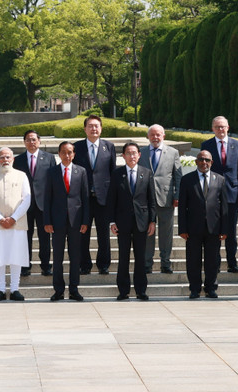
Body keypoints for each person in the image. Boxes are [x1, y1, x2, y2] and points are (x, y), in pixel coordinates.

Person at [107, 143, 156, 301]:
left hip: (142, 222)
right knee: (124, 257)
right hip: (122, 222)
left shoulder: (147, 173)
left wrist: (152, 221)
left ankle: (141, 290)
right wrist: (112, 222)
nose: (132, 156)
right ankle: (123, 291)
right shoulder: (117, 174)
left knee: (140, 257)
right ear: (123, 156)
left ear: (139, 155)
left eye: (134, 153)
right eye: (128, 153)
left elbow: (152, 200)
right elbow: (111, 199)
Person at [0, 147, 31, 301]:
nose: (5, 160)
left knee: (16, 256)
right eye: (2, 157)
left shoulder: (22, 176)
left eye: (8, 157)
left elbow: (27, 199)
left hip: (17, 223)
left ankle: (15, 289)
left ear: (13, 159)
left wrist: (13, 218)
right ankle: (1, 289)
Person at [177, 150, 228, 299]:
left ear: (212, 162)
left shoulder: (220, 179)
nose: (204, 162)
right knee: (193, 260)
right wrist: (182, 228)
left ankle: (211, 288)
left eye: (207, 160)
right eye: (201, 159)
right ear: (196, 162)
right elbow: (182, 206)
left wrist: (224, 228)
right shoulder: (187, 179)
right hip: (193, 227)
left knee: (213, 260)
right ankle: (194, 289)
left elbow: (224, 207)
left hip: (214, 227)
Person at [200, 116, 238, 273]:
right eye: (217, 127)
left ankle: (232, 263)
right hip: (212, 194)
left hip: (232, 194)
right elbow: (203, 170)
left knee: (231, 231)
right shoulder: (206, 145)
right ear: (212, 129)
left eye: (223, 127)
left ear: (228, 128)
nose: (220, 129)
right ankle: (216, 263)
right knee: (214, 230)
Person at [44, 141, 91, 301]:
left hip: (76, 221)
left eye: (70, 152)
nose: (67, 155)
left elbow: (85, 198)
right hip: (57, 221)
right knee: (57, 257)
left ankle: (74, 289)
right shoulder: (52, 172)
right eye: (63, 152)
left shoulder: (81, 171)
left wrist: (85, 221)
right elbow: (47, 198)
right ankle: (58, 290)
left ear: (74, 154)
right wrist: (47, 221)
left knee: (75, 257)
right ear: (59, 154)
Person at [73, 115, 116, 275]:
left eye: (96, 126)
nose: (93, 129)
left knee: (103, 234)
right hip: (82, 199)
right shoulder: (77, 147)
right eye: (90, 126)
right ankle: (84, 265)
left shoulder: (109, 147)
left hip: (102, 198)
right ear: (85, 129)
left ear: (101, 128)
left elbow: (113, 172)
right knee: (82, 233)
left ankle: (103, 264)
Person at [13, 130, 56, 277]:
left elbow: (53, 181)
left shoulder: (49, 158)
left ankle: (46, 266)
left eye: (34, 139)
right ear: (24, 142)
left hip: (43, 204)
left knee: (45, 237)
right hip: (24, 205)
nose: (31, 142)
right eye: (28, 140)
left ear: (39, 141)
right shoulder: (18, 160)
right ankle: (25, 266)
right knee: (25, 237)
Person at [140, 124, 182, 275]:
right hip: (145, 200)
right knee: (148, 233)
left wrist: (177, 196)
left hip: (166, 199)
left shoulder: (173, 152)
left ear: (163, 136)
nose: (155, 137)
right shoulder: (141, 152)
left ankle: (165, 263)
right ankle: (147, 264)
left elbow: (178, 176)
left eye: (158, 134)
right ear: (148, 137)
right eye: (152, 135)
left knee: (166, 234)